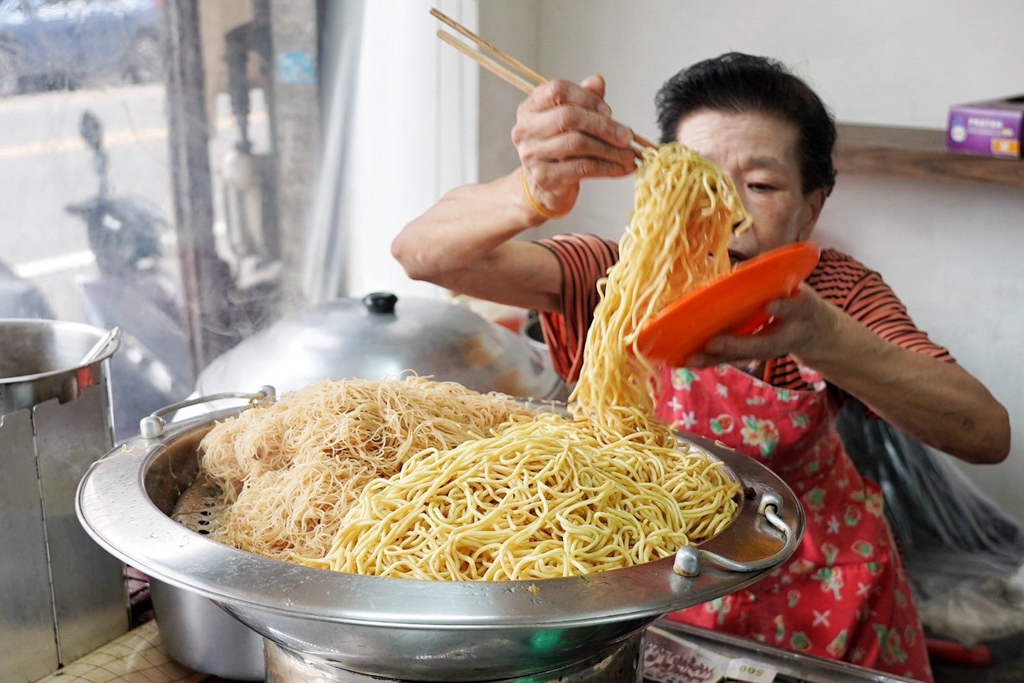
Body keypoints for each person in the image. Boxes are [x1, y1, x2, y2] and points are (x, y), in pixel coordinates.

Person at [392, 52, 1010, 682]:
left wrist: (825, 337)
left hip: (819, 590)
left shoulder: (830, 292)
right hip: (644, 584)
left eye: (763, 186)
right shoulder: (612, 276)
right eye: (700, 179)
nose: (728, 211)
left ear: (811, 208)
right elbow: (423, 255)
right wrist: (529, 192)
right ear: (659, 184)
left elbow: (984, 432)